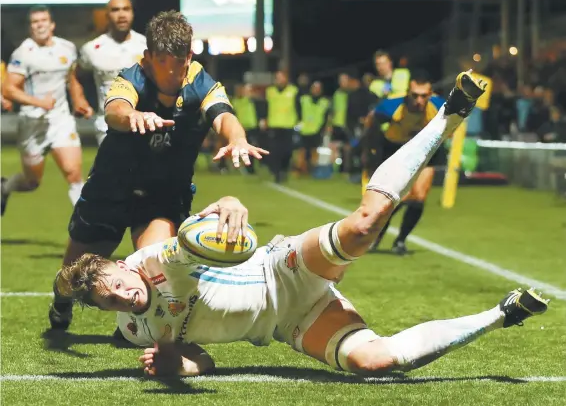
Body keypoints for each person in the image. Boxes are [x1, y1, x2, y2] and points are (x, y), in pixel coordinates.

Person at [56, 72, 547, 378]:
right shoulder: (137, 330)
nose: (124, 294)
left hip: (280, 269)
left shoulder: (153, 263)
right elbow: (203, 361)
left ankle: (447, 116)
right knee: (375, 363)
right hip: (289, 322)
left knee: (365, 223)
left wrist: (227, 202)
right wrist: (177, 366)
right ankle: (501, 315)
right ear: (105, 311)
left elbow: (192, 237)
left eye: (118, 283)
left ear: (123, 264)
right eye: (112, 299)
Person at [48, 10, 268, 330]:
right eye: (161, 65)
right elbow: (115, 110)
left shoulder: (202, 83)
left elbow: (224, 117)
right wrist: (132, 117)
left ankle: (146, 331)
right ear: (148, 57)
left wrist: (237, 139)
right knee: (71, 276)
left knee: (157, 266)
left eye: (176, 67)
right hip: (111, 188)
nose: (170, 77)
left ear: (188, 57)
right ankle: (60, 305)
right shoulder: (131, 77)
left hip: (162, 195)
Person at [1, 5, 93, 216]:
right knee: (32, 181)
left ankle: (84, 227)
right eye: (35, 22)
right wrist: (38, 102)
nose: (39, 25)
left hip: (60, 119)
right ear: (30, 27)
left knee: (73, 174)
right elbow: (8, 89)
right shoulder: (23, 53)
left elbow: (71, 77)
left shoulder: (67, 48)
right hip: (32, 123)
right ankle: (4, 187)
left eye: (43, 20)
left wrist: (79, 101)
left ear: (52, 24)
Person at [362, 71, 446, 255]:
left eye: (424, 96)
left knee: (419, 197)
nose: (419, 100)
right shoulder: (390, 107)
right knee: (391, 198)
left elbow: (456, 119)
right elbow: (371, 124)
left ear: (431, 95)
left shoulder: (440, 107)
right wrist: (369, 155)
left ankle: (400, 241)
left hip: (426, 150)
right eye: (414, 95)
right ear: (407, 92)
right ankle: (377, 233)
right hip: (395, 149)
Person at [74, 0, 147, 145]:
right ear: (107, 16)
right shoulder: (92, 49)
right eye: (115, 10)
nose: (121, 15)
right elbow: (74, 75)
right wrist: (78, 100)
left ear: (132, 13)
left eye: (126, 9)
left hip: (142, 122)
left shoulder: (146, 45)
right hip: (107, 124)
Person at [265, 71, 300, 183]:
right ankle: (277, 172)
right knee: (275, 151)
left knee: (287, 151)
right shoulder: (270, 91)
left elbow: (298, 106)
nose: (279, 80)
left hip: (288, 125)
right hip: (274, 125)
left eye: (281, 78)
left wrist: (299, 120)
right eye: (277, 78)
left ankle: (284, 170)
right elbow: (265, 106)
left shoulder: (293, 91)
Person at [296, 81, 330, 175]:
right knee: (302, 151)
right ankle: (300, 169)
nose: (316, 90)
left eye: (318, 88)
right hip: (304, 129)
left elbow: (327, 116)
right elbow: (297, 111)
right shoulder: (304, 99)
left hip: (317, 129)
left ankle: (312, 170)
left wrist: (326, 127)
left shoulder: (325, 101)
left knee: (314, 151)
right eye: (315, 88)